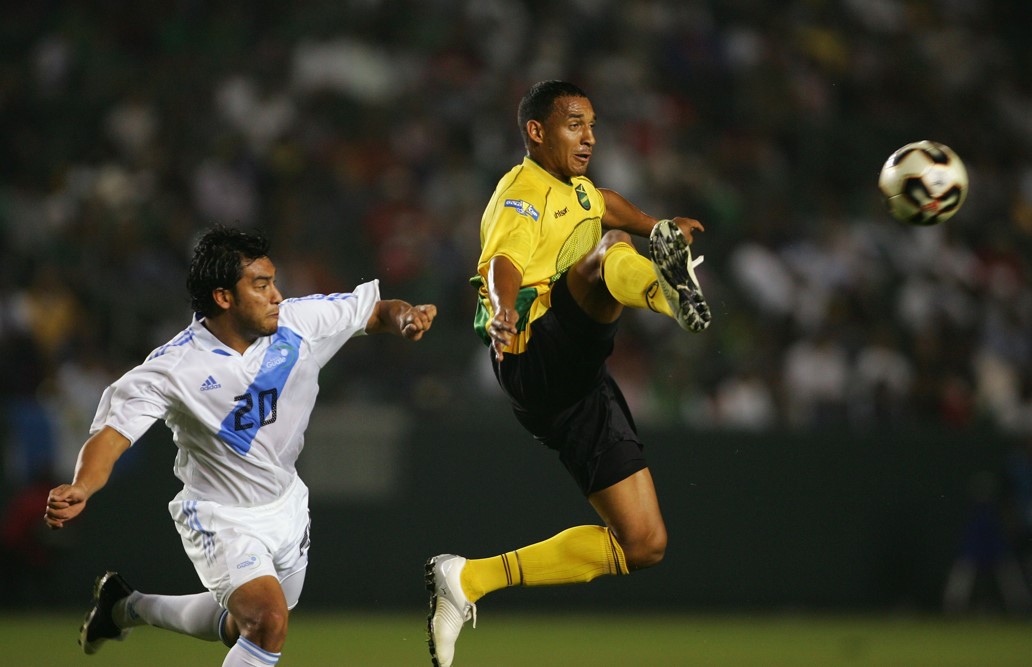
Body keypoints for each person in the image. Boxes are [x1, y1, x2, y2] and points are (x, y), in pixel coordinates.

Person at [44, 225, 436, 666]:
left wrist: (405, 318)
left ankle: (123, 607)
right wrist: (82, 486)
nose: (277, 296)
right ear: (223, 297)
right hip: (219, 515)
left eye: (274, 282)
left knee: (244, 624)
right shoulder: (174, 368)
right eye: (262, 285)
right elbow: (112, 437)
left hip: (285, 502)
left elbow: (378, 311)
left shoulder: (297, 323)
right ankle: (127, 608)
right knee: (267, 621)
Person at [425, 80, 711, 667]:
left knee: (644, 544)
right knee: (604, 258)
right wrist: (504, 309)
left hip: (577, 385)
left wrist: (657, 225)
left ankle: (467, 579)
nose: (589, 137)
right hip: (529, 350)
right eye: (574, 124)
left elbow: (605, 202)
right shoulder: (521, 192)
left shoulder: (576, 191)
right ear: (536, 131)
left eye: (593, 125)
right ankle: (669, 295)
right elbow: (502, 261)